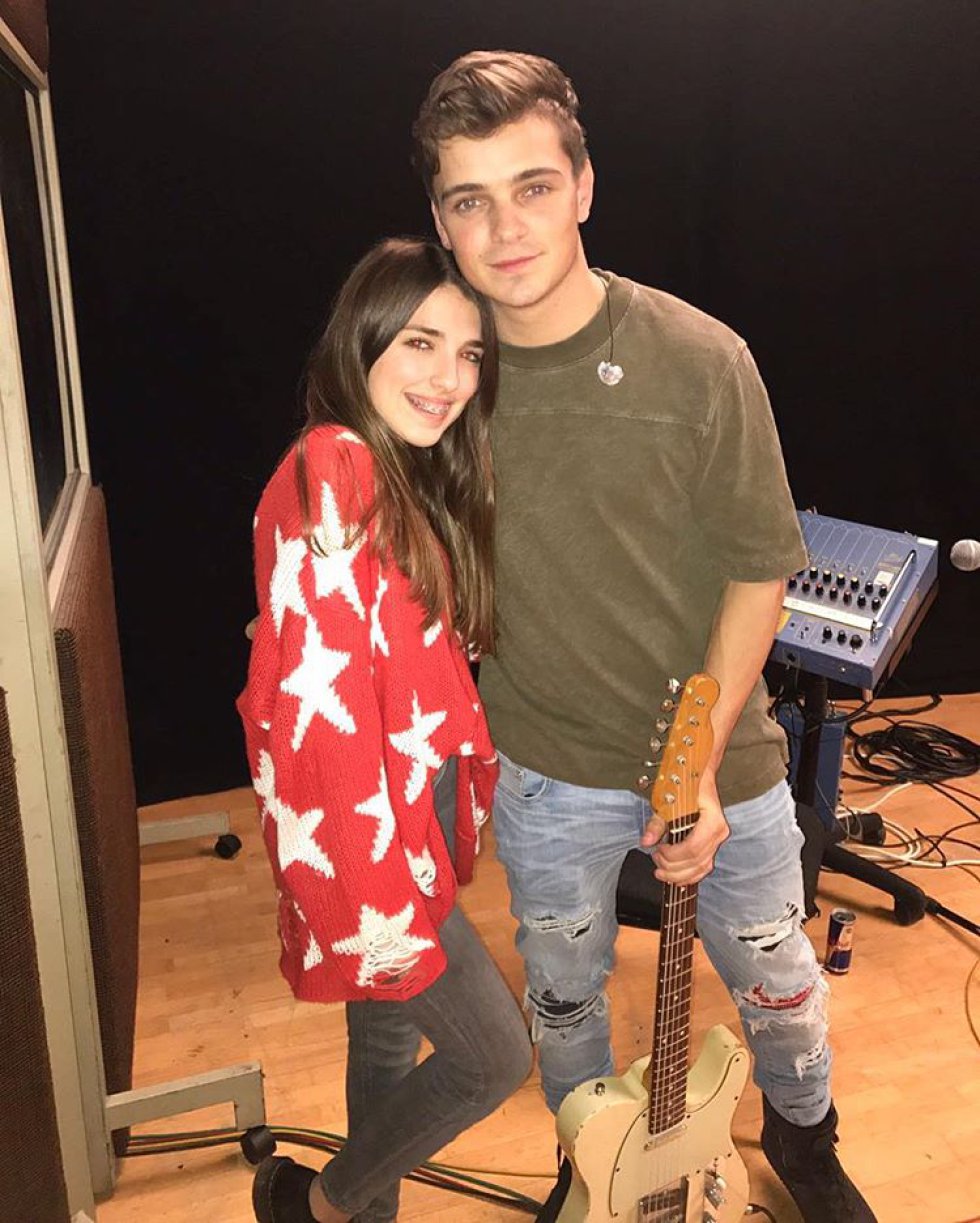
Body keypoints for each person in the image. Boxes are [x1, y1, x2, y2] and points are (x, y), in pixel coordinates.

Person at [411, 51, 876, 1223]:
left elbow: (758, 571)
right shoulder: (434, 376)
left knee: (775, 978)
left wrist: (699, 762)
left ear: (582, 186)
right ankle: (593, 1159)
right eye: (468, 200)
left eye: (530, 187)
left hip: (721, 756)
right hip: (543, 767)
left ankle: (804, 1138)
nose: (503, 228)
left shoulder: (699, 359)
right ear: (440, 220)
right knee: (563, 994)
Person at [237, 237, 531, 1223]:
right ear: (361, 338)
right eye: (419, 342)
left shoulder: (394, 470)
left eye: (468, 353)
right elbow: (316, 721)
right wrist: (375, 898)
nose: (448, 377)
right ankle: (315, 1203)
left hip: (410, 802)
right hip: (373, 832)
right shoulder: (336, 464)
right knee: (492, 1055)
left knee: (386, 1038)